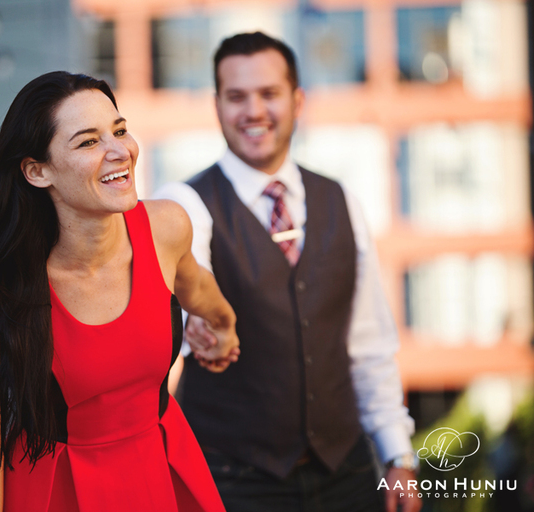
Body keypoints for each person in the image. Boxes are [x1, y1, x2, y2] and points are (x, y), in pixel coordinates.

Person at [0, 71, 240, 511]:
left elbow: (199, 290)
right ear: (38, 171)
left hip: (163, 472)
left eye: (119, 131)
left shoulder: (166, 226)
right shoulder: (7, 286)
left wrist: (223, 326)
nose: (120, 151)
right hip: (56, 489)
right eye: (88, 142)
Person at [155, 32, 422, 512]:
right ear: (217, 105)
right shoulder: (185, 203)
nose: (254, 111)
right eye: (237, 96)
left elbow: (368, 345)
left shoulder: (341, 200)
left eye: (269, 93)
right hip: (234, 481)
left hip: (347, 474)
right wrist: (201, 321)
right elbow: (192, 274)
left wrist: (397, 455)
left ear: (297, 101)